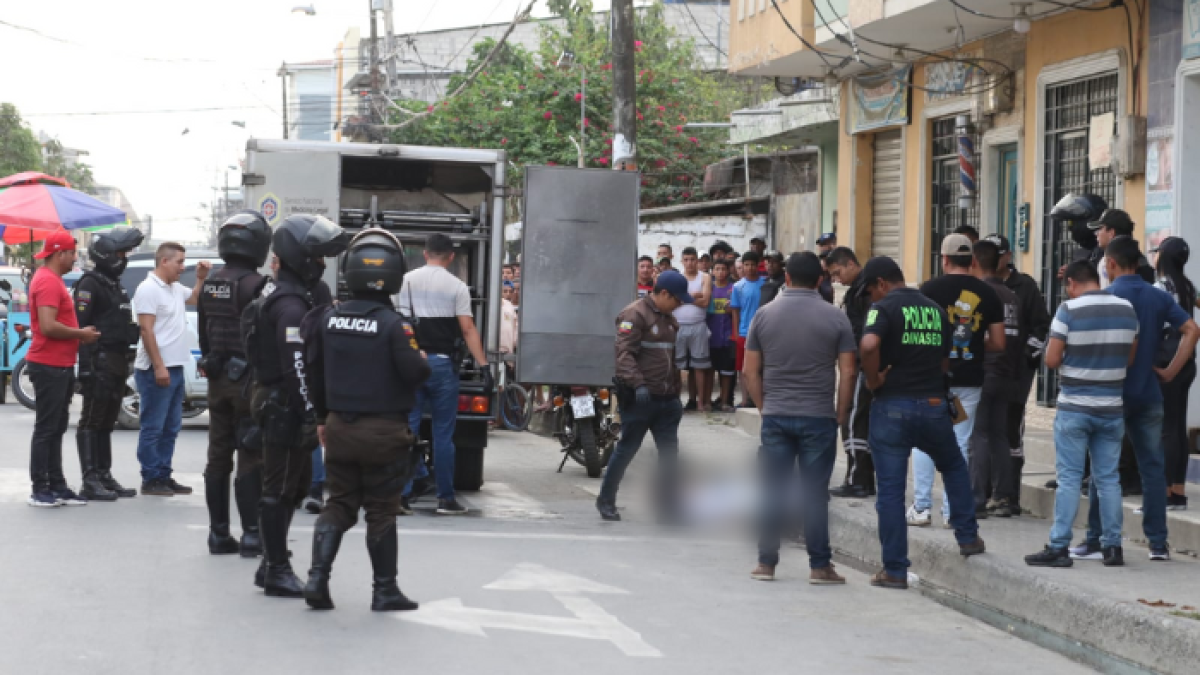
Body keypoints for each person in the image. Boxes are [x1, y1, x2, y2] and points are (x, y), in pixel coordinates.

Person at [301, 228, 431, 611]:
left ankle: (317, 578)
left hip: (339, 428)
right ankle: (384, 590)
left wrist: (322, 418)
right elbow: (415, 373)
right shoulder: (395, 325)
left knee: (339, 503)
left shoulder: (328, 319)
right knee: (381, 509)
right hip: (384, 433)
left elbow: (314, 373)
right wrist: (422, 360)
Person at [859, 256, 985, 589]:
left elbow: (869, 344)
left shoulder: (882, 309)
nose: (871, 297)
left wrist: (873, 379)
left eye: (870, 290)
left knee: (891, 490)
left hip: (892, 406)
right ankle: (968, 536)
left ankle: (895, 570)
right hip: (932, 405)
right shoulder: (936, 310)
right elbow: (945, 361)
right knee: (954, 466)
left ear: (882, 283)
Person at [1074, 237, 1200, 562]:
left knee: (1104, 468)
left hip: (1112, 394)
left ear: (1111, 264)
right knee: (1152, 469)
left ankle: (1096, 539)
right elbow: (1191, 329)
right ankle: (1158, 544)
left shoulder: (1107, 297)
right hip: (1149, 392)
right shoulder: (1158, 296)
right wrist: (1171, 370)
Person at [245, 214, 348, 597]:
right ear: (299, 257)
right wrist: (310, 414)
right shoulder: (289, 305)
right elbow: (296, 365)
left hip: (284, 402)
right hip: (283, 405)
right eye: (317, 257)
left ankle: (270, 562)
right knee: (280, 486)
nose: (321, 264)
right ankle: (276, 568)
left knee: (295, 484)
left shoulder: (294, 294)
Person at [744, 253, 856, 584]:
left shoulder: (764, 315)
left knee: (773, 490)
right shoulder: (836, 318)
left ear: (787, 278)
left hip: (777, 414)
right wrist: (840, 413)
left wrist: (764, 407)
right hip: (818, 415)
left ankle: (766, 563)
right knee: (815, 494)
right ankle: (820, 566)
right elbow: (849, 373)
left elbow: (750, 371)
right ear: (820, 281)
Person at [1024, 261, 1137, 568]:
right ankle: (1112, 547)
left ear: (1072, 282)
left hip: (1075, 407)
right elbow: (1129, 358)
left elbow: (1052, 359)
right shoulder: (1126, 309)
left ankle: (1059, 546)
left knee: (1069, 479)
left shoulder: (1068, 310)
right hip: (1111, 407)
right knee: (1108, 479)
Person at [907, 234, 1005, 527]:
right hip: (969, 378)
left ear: (944, 260)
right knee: (960, 442)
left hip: (930, 378)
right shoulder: (988, 293)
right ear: (972, 260)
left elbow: (916, 335)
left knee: (923, 440)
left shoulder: (927, 291)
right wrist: (973, 344)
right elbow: (999, 343)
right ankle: (953, 512)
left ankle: (922, 508)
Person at [397, 233, 492, 516]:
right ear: (451, 257)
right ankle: (445, 498)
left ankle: (402, 495)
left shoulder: (405, 282)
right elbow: (467, 329)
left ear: (425, 253)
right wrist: (484, 366)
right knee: (443, 435)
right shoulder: (457, 287)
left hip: (411, 364)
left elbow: (399, 324)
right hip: (442, 366)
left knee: (407, 429)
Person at [197, 212, 271, 555]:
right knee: (251, 455)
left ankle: (218, 534)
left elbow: (204, 335)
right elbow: (267, 335)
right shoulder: (258, 285)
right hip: (248, 383)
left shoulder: (211, 283)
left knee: (218, 456)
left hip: (217, 379)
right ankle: (252, 534)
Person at [597, 270, 689, 523]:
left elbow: (670, 359)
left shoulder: (669, 319)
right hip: (640, 398)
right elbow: (624, 354)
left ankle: (668, 505)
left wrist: (675, 394)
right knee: (627, 450)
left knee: (669, 454)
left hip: (666, 399)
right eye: (677, 299)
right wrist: (638, 385)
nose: (680, 304)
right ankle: (606, 500)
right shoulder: (634, 314)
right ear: (664, 294)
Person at [27, 231, 101, 507]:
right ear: (60, 254)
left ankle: (57, 485)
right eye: (73, 253)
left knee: (56, 428)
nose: (75, 258)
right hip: (48, 364)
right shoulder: (47, 281)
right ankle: (40, 488)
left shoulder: (52, 279)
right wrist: (80, 334)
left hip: (59, 364)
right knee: (47, 428)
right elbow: (47, 326)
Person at [133, 242, 211, 496]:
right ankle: (150, 478)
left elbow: (196, 298)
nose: (183, 267)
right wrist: (159, 366)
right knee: (153, 428)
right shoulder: (148, 289)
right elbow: (146, 330)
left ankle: (163, 475)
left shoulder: (175, 288)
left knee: (171, 428)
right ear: (164, 261)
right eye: (179, 262)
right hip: (155, 369)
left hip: (176, 366)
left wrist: (201, 278)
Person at [73, 227, 144, 501]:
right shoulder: (89, 284)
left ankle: (104, 474)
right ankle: (89, 479)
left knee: (106, 421)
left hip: (117, 360)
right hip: (98, 360)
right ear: (106, 254)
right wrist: (85, 368)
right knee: (92, 419)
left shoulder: (114, 284)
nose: (123, 259)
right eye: (120, 254)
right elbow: (81, 328)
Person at [985, 234, 1051, 513]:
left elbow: (1041, 327)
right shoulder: (983, 287)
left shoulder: (1025, 286)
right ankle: (987, 491)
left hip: (1016, 373)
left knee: (1011, 429)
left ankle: (1009, 495)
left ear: (1008, 256)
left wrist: (1025, 358)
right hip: (989, 371)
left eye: (998, 254)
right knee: (986, 432)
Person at [969, 240, 1024, 518]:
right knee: (1000, 434)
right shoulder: (1012, 296)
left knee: (978, 435)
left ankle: (977, 498)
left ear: (974, 262)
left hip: (985, 372)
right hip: (1008, 373)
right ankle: (1003, 495)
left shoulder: (977, 294)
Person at [824, 247, 875, 498]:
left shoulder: (863, 292)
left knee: (853, 421)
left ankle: (858, 479)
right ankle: (862, 478)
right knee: (862, 422)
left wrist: (855, 364)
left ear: (851, 264)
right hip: (864, 365)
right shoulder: (860, 289)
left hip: (861, 365)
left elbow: (863, 333)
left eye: (837, 272)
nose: (837, 279)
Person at [1153, 237, 1196, 511]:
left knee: (1166, 429)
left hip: (1168, 360)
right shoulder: (1188, 286)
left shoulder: (1161, 287)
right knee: (1177, 427)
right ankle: (1178, 492)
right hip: (1188, 362)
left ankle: (1166, 493)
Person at [675, 247, 712, 413]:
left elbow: (705, 302)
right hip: (678, 326)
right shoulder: (677, 278)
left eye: (692, 259)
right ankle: (675, 401)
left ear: (697, 260)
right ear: (682, 261)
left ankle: (700, 402)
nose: (689, 263)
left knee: (700, 366)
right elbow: (673, 301)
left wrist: (685, 298)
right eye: (686, 260)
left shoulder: (705, 277)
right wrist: (694, 296)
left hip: (699, 325)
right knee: (676, 366)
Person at [730, 251, 764, 408]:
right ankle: (745, 399)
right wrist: (736, 333)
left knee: (761, 367)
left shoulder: (765, 284)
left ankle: (759, 399)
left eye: (753, 265)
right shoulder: (738, 287)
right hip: (744, 332)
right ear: (742, 266)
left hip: (762, 331)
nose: (750, 268)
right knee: (743, 369)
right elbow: (735, 311)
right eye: (746, 264)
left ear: (758, 266)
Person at [705, 258, 737, 412]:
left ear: (728, 271)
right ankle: (707, 402)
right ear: (712, 271)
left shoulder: (733, 289)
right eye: (717, 269)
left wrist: (732, 310)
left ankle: (724, 401)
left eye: (723, 269)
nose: (721, 272)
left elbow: (737, 310)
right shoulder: (709, 289)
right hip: (711, 337)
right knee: (709, 371)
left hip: (728, 337)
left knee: (726, 372)